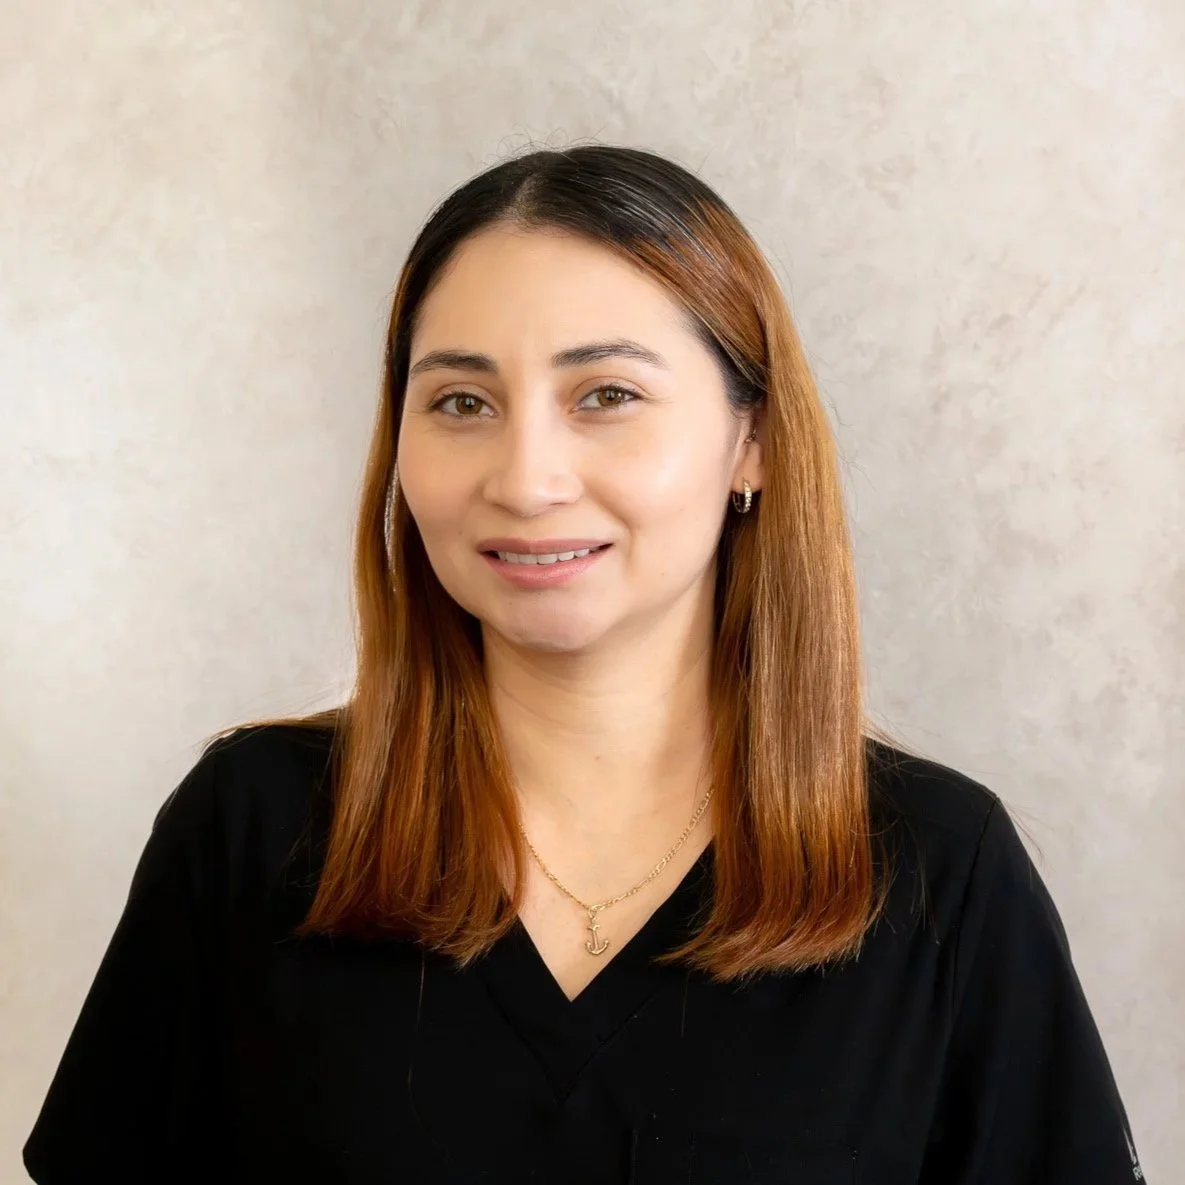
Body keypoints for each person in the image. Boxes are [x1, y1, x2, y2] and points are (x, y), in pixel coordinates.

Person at [23, 143, 1148, 1184]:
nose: (526, 479)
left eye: (605, 396)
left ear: (751, 440)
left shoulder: (940, 873)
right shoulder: (251, 830)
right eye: (462, 401)